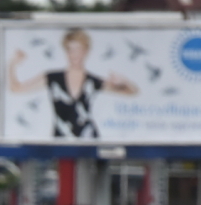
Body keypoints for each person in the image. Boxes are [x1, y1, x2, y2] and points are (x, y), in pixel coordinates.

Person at [8, 28, 138, 139]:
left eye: (78, 49)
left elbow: (132, 92)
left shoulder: (92, 81)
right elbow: (16, 88)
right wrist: (12, 64)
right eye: (70, 49)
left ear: (86, 51)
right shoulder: (52, 77)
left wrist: (125, 81)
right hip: (61, 138)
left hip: (87, 138)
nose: (74, 54)